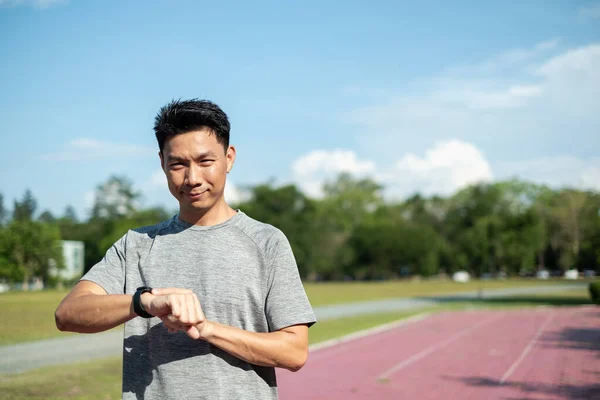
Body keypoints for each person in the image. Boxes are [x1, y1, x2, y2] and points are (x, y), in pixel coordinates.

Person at [55, 99, 317, 400]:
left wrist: (206, 328)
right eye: (178, 164)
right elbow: (67, 314)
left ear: (229, 158)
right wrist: (145, 303)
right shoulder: (136, 245)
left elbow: (294, 351)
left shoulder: (266, 242)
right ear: (162, 163)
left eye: (206, 162)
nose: (192, 178)